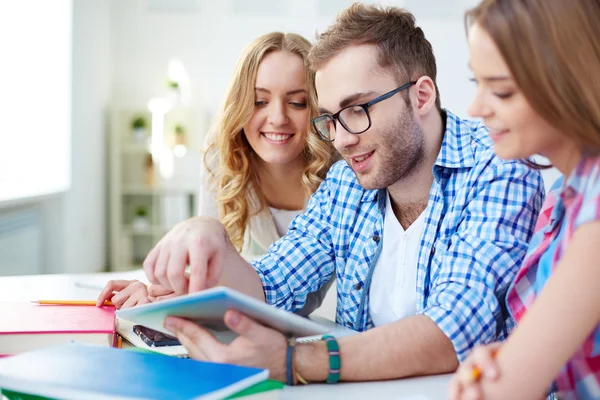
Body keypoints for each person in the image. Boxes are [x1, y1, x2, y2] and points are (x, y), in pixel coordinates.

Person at [107, 3, 546, 383]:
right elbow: (271, 286)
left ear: (422, 95)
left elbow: (457, 326)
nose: (341, 140)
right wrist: (208, 239)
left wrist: (297, 360)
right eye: (330, 119)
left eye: (357, 110)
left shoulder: (499, 165)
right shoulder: (346, 185)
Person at [99, 32, 336, 310]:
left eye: (297, 102)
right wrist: (155, 294)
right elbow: (209, 271)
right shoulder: (223, 155)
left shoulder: (340, 172)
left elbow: (297, 294)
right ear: (241, 103)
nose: (277, 118)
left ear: (318, 107)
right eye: (259, 101)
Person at [447, 0, 600, 399]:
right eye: (475, 83)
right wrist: (515, 361)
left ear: (568, 83)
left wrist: (509, 375)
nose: (476, 108)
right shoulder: (562, 196)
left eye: (501, 91)